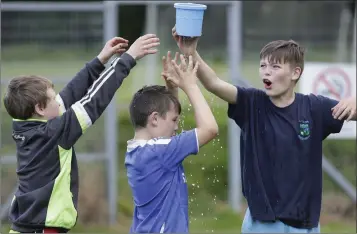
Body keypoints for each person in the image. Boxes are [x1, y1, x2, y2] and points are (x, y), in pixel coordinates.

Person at [171, 26, 356, 233]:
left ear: (296, 73)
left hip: (305, 225)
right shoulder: (252, 103)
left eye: (275, 67)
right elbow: (213, 83)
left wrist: (354, 101)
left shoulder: (315, 108)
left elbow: (352, 111)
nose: (266, 71)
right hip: (262, 223)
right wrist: (190, 52)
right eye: (263, 65)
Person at [4, 33, 160, 233]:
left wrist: (99, 61)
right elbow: (94, 101)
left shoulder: (25, 126)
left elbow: (69, 95)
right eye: (53, 99)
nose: (59, 101)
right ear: (40, 109)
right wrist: (128, 59)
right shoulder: (52, 134)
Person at [125, 51, 218, 233]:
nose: (177, 127)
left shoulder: (141, 151)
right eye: (174, 120)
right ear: (154, 119)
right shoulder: (160, 152)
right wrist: (191, 86)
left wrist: (171, 90)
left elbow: (166, 127)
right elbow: (210, 129)